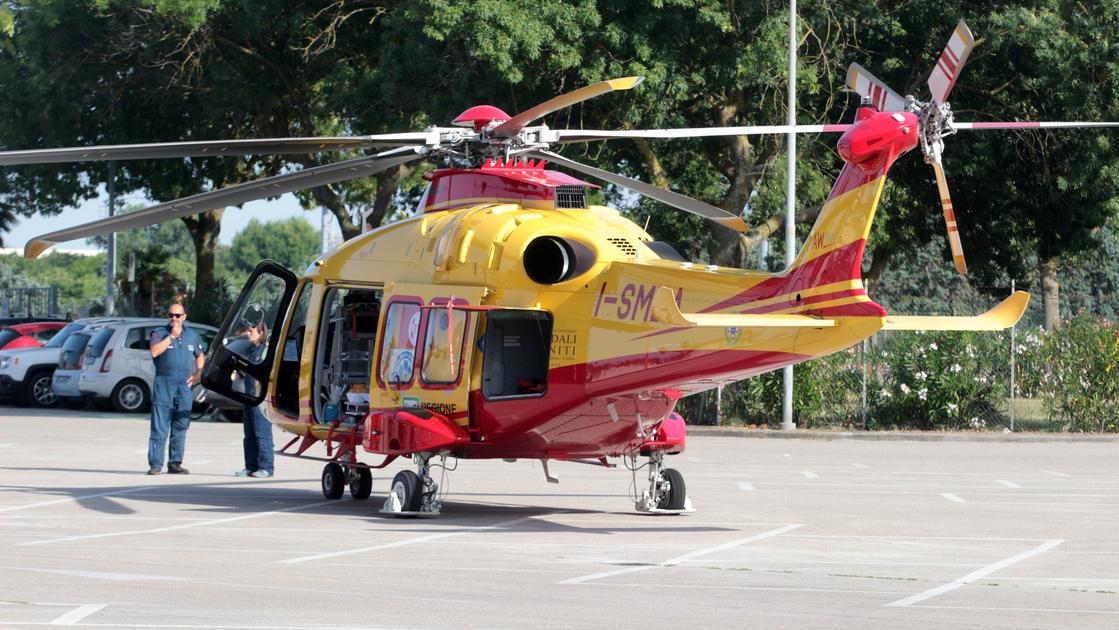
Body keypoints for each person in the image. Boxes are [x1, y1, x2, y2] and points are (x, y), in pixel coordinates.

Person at [146, 302, 204, 475]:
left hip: (184, 386)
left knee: (181, 425)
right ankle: (156, 464)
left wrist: (198, 373)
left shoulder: (192, 336)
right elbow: (154, 352)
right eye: (171, 315)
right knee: (160, 426)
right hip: (164, 384)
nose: (174, 318)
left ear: (184, 317)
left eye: (177, 316)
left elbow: (200, 356)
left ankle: (175, 463)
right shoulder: (159, 333)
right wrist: (171, 336)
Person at [236, 323, 274, 478]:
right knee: (249, 433)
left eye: (250, 331)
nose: (247, 333)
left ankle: (266, 467)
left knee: (262, 432)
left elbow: (266, 370)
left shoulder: (266, 350)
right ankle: (250, 466)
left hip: (261, 398)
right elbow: (242, 374)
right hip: (249, 396)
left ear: (260, 332)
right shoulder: (250, 350)